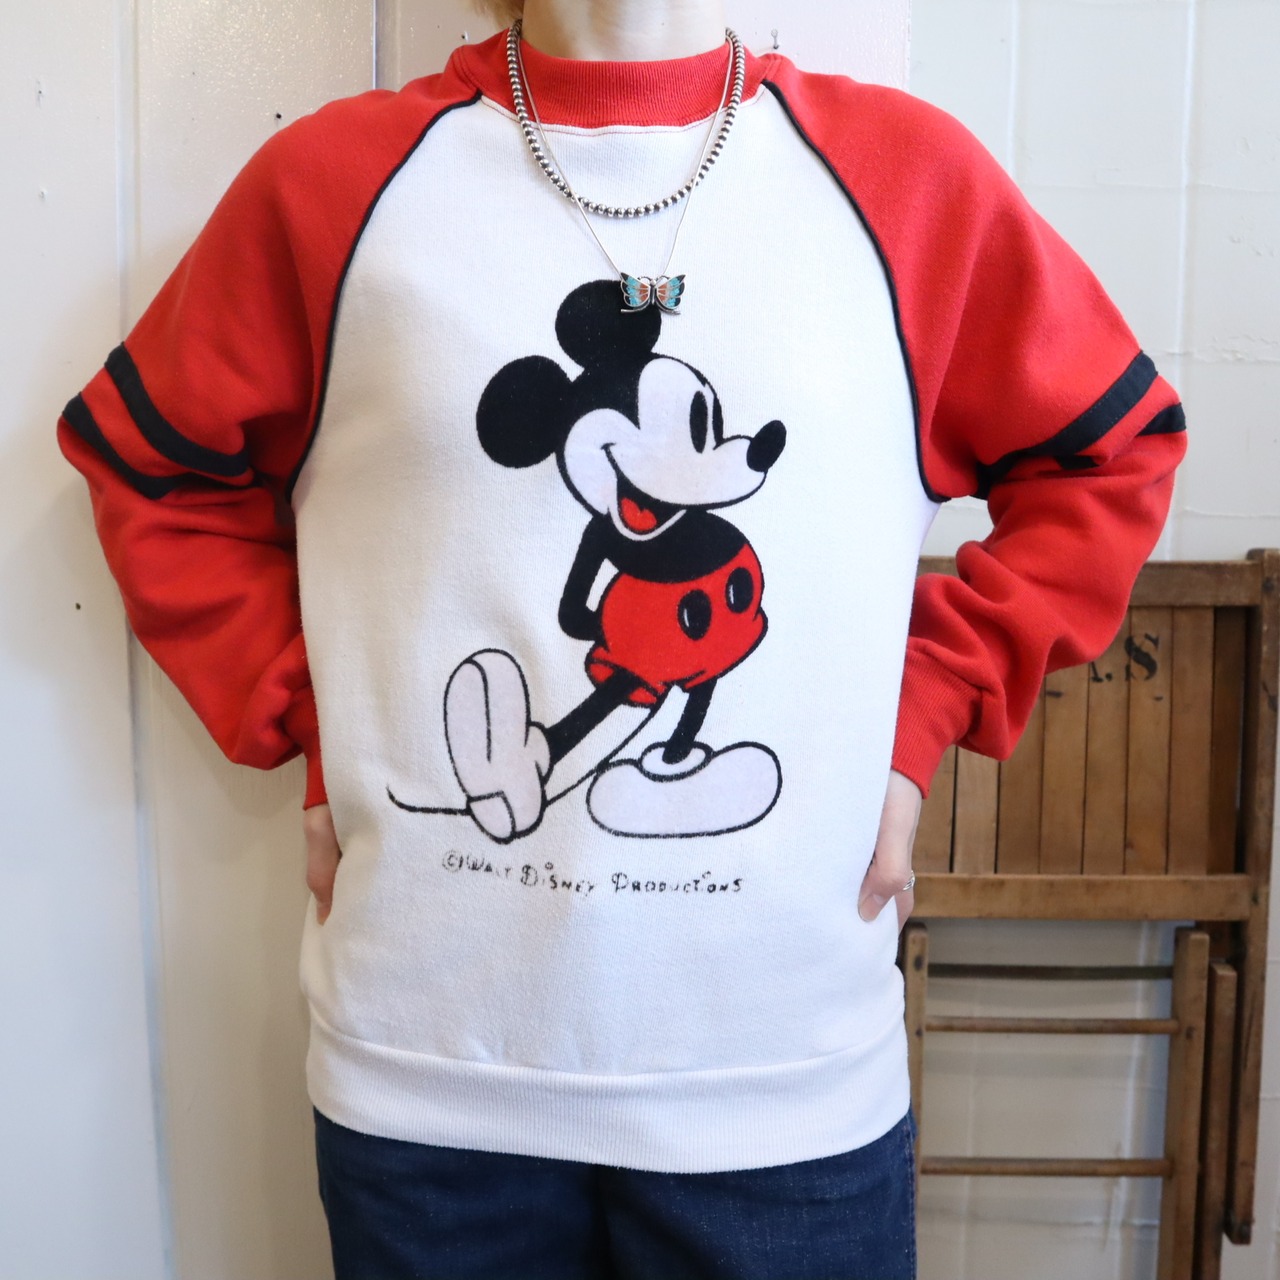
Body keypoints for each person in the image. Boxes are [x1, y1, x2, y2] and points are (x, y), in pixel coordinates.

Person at [58, 0, 1185, 1274]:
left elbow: (1110, 451)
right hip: (431, 1081)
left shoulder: (907, 185)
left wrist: (921, 705)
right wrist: (316, 718)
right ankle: (529, 762)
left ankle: (663, 760)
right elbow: (147, 462)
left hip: (782, 1079)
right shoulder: (333, 188)